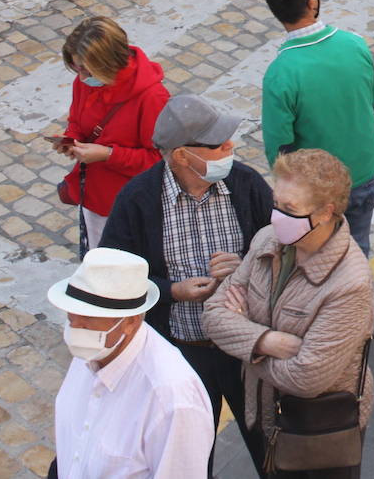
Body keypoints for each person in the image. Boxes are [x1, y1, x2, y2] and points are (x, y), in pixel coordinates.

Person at [99, 94, 274, 474]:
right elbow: (109, 276)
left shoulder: (247, 185)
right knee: (191, 458)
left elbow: (283, 254)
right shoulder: (138, 199)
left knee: (271, 449)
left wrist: (246, 267)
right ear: (180, 156)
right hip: (182, 354)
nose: (231, 148)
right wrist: (170, 291)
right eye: (218, 145)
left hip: (244, 349)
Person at [204, 150, 374, 479]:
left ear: (326, 212)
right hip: (265, 412)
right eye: (276, 203)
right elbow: (213, 315)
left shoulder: (350, 285)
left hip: (318, 428)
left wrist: (245, 342)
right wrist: (266, 340)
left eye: (290, 209)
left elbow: (306, 378)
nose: (276, 217)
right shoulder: (268, 240)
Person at [49, 248, 214, 479]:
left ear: (130, 322)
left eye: (87, 322)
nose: (75, 330)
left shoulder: (172, 399)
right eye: (70, 318)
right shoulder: (94, 347)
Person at [262, 0, 374, 257]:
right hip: (363, 174)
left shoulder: (281, 72)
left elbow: (279, 151)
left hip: (316, 192)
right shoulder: (354, 45)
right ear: (311, 1)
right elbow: (371, 102)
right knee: (357, 252)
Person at [56, 16, 169, 255]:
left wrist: (108, 155)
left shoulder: (152, 98)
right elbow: (77, 119)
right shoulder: (86, 80)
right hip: (95, 197)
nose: (82, 78)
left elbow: (158, 162)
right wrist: (71, 139)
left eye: (87, 70)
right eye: (78, 69)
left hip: (129, 206)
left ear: (108, 63)